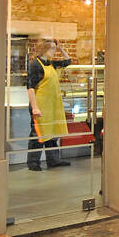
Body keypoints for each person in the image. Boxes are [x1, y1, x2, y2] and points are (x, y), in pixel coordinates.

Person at [26, 38, 72, 170]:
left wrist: (61, 48)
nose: (54, 51)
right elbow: (30, 88)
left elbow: (68, 61)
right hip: (40, 105)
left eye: (54, 48)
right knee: (38, 134)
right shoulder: (35, 65)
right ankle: (33, 163)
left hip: (52, 105)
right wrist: (35, 108)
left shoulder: (51, 63)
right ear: (44, 49)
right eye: (52, 48)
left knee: (52, 133)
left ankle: (53, 160)